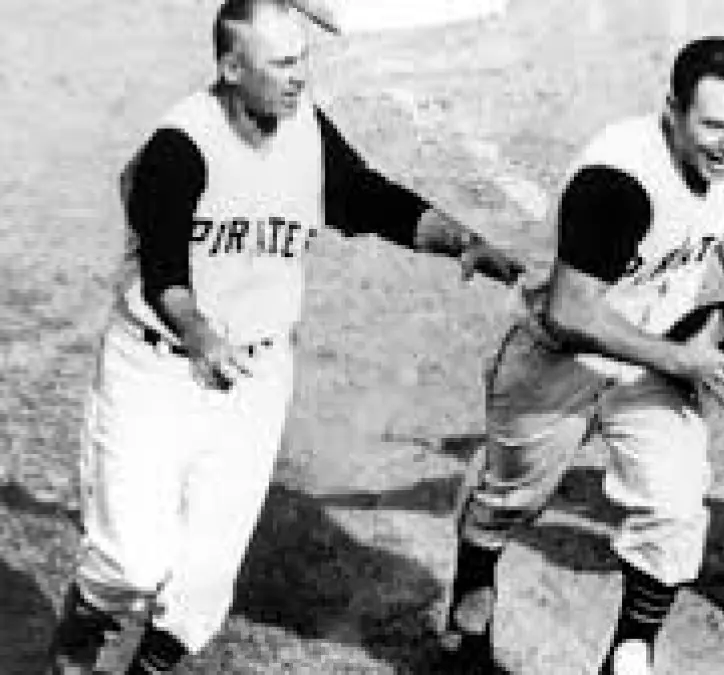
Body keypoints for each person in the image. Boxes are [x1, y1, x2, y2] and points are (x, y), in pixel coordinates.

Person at [47, 1, 523, 673]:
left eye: (303, 59)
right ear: (231, 68)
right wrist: (201, 334)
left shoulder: (305, 129)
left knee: (202, 586)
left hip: (255, 377)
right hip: (158, 369)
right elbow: (163, 275)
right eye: (281, 64)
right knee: (129, 561)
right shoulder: (179, 147)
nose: (299, 76)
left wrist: (462, 241)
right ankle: (79, 636)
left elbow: (366, 197)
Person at [442, 36, 724, 675]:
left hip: (655, 352)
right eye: (714, 125)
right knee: (510, 499)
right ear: (672, 111)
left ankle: (629, 655)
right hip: (559, 354)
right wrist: (681, 360)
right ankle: (471, 593)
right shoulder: (616, 183)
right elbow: (571, 313)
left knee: (676, 507)